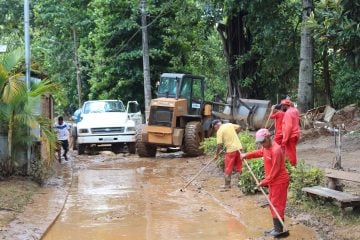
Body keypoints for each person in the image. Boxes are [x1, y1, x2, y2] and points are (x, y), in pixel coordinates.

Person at [241, 128, 289, 237]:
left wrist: (263, 182)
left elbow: (275, 172)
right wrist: (246, 155)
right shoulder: (265, 147)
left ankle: (279, 230)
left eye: (263, 141)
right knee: (272, 204)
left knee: (277, 205)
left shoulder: (276, 150)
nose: (262, 144)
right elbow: (259, 152)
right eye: (260, 142)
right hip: (272, 181)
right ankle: (277, 227)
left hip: (279, 181)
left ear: (268, 137)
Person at [212, 119, 242, 190]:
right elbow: (239, 127)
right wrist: (235, 134)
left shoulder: (219, 131)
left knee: (228, 167)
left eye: (214, 127)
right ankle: (241, 183)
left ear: (216, 125)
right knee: (239, 166)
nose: (215, 129)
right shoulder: (229, 124)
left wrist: (216, 154)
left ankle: (227, 185)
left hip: (231, 150)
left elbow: (219, 145)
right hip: (239, 148)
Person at [280, 99, 300, 166]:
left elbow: (288, 127)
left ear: (286, 105)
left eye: (282, 106)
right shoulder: (295, 110)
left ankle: (292, 167)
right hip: (296, 134)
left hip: (290, 135)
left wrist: (285, 139)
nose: (282, 107)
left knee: (290, 153)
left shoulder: (288, 113)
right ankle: (291, 165)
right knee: (292, 152)